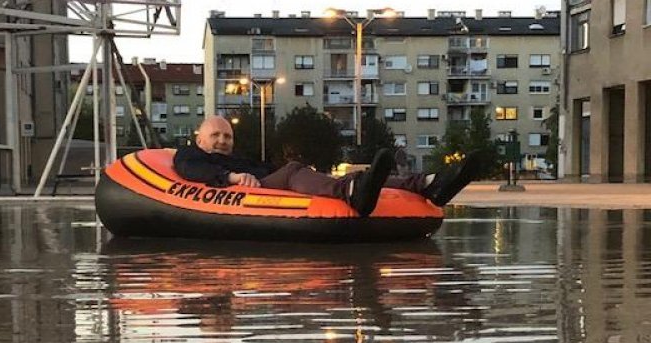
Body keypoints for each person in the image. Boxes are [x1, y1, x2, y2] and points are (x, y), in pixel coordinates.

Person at [174, 116, 480, 215]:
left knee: (359, 176)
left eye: (227, 135)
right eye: (215, 135)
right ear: (199, 137)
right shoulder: (191, 155)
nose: (222, 140)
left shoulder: (241, 159)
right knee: (293, 170)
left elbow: (267, 170)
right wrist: (230, 176)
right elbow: (192, 172)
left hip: (263, 183)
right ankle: (349, 192)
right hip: (245, 192)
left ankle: (428, 185)